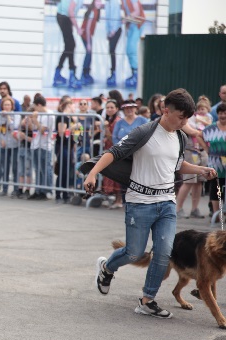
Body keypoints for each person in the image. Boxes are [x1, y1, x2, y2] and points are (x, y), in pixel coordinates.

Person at [85, 88, 217, 319]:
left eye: (188, 118)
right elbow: (113, 152)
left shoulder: (180, 136)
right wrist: (92, 173)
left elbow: (176, 166)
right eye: (181, 117)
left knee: (163, 253)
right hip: (140, 202)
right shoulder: (144, 132)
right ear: (166, 111)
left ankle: (147, 300)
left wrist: (202, 169)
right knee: (134, 253)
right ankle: (107, 267)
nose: (185, 122)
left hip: (167, 202)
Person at [176, 97, 212, 218]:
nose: (201, 111)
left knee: (199, 182)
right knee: (189, 181)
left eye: (204, 109)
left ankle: (194, 208)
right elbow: (191, 131)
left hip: (202, 151)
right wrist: (202, 132)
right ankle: (178, 208)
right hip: (191, 151)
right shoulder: (189, 118)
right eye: (199, 108)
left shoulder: (209, 118)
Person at [29, 95, 56, 200]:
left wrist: (35, 120)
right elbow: (34, 129)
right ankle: (38, 190)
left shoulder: (49, 115)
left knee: (45, 169)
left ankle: (46, 190)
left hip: (45, 145)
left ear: (39, 105)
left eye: (35, 106)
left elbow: (43, 130)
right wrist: (31, 120)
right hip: (36, 144)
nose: (35, 109)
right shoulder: (39, 114)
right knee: (37, 169)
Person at [203, 102, 226, 218]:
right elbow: (198, 135)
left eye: (225, 113)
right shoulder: (211, 128)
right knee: (215, 189)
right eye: (220, 113)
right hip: (215, 164)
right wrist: (206, 148)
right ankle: (217, 215)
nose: (223, 115)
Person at [0, 97, 20, 197]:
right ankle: (4, 189)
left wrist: (8, 116)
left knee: (15, 167)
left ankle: (16, 189)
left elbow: (14, 127)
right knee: (4, 167)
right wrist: (0, 141)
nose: (7, 107)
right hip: (4, 145)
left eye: (8, 105)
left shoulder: (16, 115)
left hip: (14, 145)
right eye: (5, 105)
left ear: (12, 106)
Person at [53, 0, 82, 90]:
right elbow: (70, 11)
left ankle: (58, 74)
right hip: (64, 17)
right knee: (71, 45)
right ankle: (71, 76)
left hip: (64, 17)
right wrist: (78, 28)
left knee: (69, 46)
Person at [79, 0, 102, 86]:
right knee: (88, 54)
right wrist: (88, 43)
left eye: (100, 1)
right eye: (97, 1)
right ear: (94, 2)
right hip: (86, 35)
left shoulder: (96, 11)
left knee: (89, 54)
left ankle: (86, 73)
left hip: (87, 35)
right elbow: (88, 28)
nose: (99, 3)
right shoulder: (93, 12)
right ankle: (84, 74)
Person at [105, 0, 122, 87]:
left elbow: (115, 18)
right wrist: (108, 32)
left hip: (116, 30)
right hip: (111, 31)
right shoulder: (107, 3)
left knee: (112, 50)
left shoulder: (114, 2)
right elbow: (107, 19)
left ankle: (113, 73)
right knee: (111, 51)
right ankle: (112, 73)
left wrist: (113, 31)